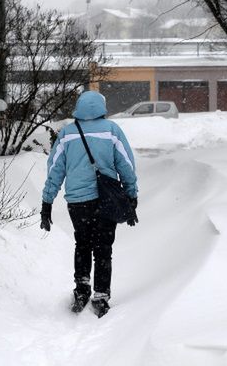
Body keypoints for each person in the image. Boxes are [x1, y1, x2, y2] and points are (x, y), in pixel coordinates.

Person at [40, 90, 138, 317]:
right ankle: (101, 296)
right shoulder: (112, 131)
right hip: (107, 200)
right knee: (103, 249)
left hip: (78, 202)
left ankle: (82, 289)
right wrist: (131, 197)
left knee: (82, 244)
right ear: (102, 108)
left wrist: (47, 202)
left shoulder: (66, 134)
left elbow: (55, 170)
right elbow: (126, 165)